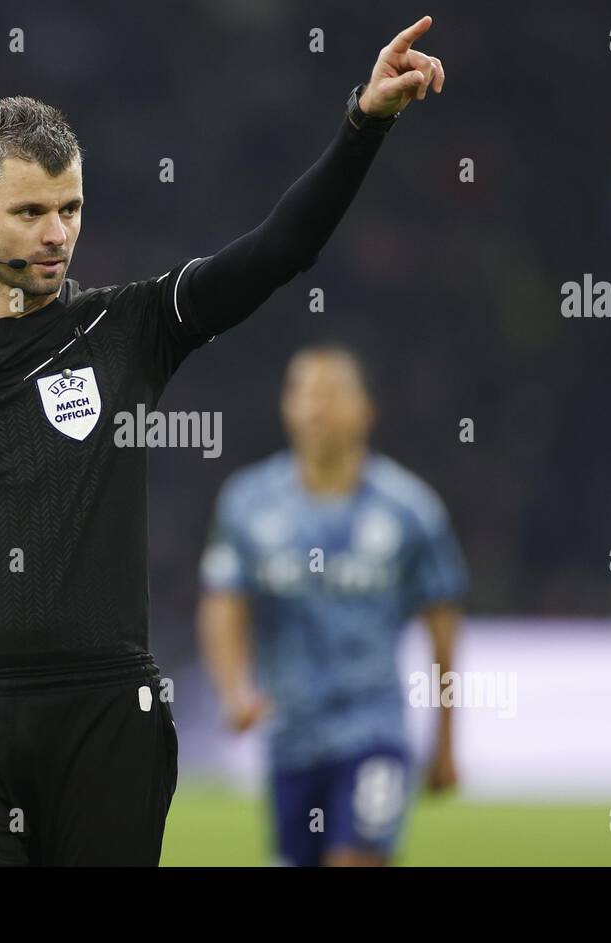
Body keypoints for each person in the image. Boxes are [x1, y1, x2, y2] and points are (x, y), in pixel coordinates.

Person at [0, 16, 447, 865]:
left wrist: (362, 123)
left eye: (71, 208)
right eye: (31, 211)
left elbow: (281, 250)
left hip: (106, 720)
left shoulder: (131, 328)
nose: (57, 233)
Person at [197, 345, 468, 866]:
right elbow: (223, 603)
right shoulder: (248, 504)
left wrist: (447, 740)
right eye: (303, 393)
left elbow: (443, 632)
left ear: (365, 410)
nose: (316, 408)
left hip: (373, 730)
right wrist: (234, 690)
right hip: (291, 737)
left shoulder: (410, 510)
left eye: (331, 394)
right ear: (286, 408)